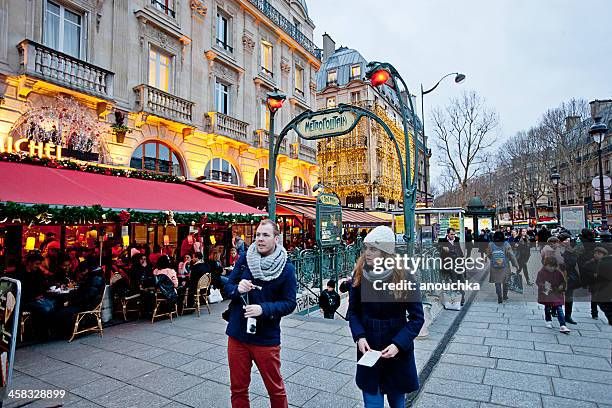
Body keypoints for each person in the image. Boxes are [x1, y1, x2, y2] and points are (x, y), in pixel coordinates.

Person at [347, 226, 424, 408]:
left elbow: (417, 318)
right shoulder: (359, 274)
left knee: (397, 402)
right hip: (369, 349)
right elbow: (353, 312)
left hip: (396, 351)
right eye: (366, 248)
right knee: (372, 402)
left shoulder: (404, 275)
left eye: (373, 249)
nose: (368, 253)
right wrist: (359, 336)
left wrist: (398, 344)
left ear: (385, 252)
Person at [224, 219, 297, 408]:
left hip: (266, 337)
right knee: (238, 389)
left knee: (275, 389)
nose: (260, 239)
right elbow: (228, 287)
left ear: (276, 239)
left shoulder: (286, 268)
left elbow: (289, 303)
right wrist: (237, 288)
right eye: (258, 235)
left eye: (265, 235)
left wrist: (264, 309)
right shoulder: (244, 259)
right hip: (238, 334)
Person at [54, 259, 106, 337]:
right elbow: (86, 293)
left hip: (86, 305)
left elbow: (87, 296)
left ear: (86, 270)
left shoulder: (94, 278)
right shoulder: (94, 277)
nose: (81, 274)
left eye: (82, 272)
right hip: (87, 303)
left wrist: (71, 302)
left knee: (60, 311)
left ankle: (64, 332)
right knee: (60, 308)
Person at [14, 252, 56, 339]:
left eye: (39, 264)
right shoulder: (20, 274)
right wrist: (34, 296)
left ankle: (47, 331)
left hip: (37, 298)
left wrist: (42, 293)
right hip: (25, 300)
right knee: (46, 308)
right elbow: (19, 291)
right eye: (37, 264)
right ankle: (42, 333)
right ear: (29, 263)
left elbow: (43, 285)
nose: (38, 266)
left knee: (54, 305)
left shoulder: (38, 272)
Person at [536, 256, 571, 334]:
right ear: (545, 265)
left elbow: (563, 281)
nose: (551, 268)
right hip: (547, 294)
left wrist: (562, 285)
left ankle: (562, 325)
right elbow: (538, 281)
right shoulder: (541, 272)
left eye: (553, 266)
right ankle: (548, 320)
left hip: (557, 293)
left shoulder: (558, 272)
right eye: (550, 266)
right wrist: (544, 286)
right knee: (548, 307)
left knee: (559, 308)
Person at [487, 231, 518, 304]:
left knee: (497, 282)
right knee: (506, 282)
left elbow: (488, 254)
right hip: (505, 266)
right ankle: (505, 296)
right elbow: (511, 255)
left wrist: (493, 259)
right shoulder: (506, 244)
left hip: (494, 266)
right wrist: (515, 264)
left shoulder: (491, 244)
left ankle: (499, 297)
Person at [438, 228, 465, 308]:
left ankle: (460, 297)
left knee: (461, 281)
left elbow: (460, 251)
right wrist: (442, 248)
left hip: (458, 263)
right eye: (451, 234)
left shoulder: (456, 240)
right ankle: (460, 299)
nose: (453, 236)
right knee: (455, 281)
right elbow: (437, 247)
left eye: (454, 234)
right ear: (447, 234)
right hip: (449, 264)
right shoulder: (442, 241)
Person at [559, 234, 579, 325]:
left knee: (569, 295)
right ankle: (554, 310)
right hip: (559, 274)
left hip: (569, 275)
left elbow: (573, 262)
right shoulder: (556, 250)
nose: (568, 242)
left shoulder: (571, 250)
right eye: (565, 240)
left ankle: (568, 315)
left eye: (569, 240)